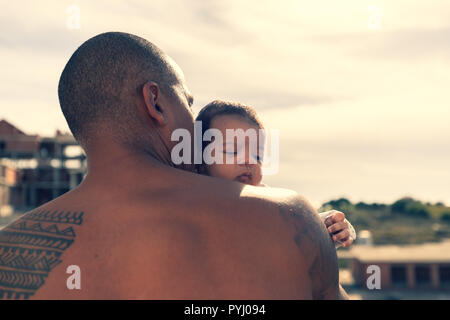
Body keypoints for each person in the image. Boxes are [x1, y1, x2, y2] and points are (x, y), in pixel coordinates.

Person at [0, 32, 348, 300]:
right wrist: (312, 237)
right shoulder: (291, 219)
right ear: (155, 102)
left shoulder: (10, 252)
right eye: (188, 101)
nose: (191, 119)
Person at [195, 100, 356, 248]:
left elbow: (299, 224)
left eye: (257, 155)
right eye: (232, 150)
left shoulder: (267, 201)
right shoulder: (192, 204)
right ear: (200, 160)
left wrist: (330, 226)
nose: (248, 160)